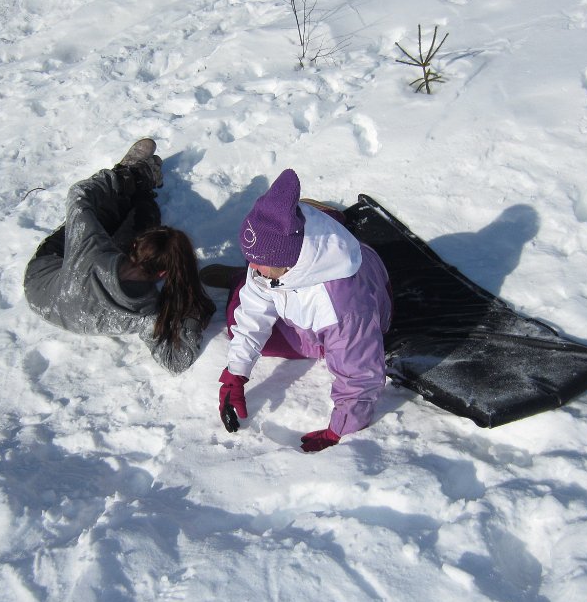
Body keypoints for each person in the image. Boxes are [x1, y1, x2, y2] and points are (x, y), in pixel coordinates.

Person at [212, 168, 392, 452]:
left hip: (335, 323)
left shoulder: (343, 306)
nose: (253, 268)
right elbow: (254, 308)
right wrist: (235, 373)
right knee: (241, 310)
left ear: (288, 260)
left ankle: (240, 281)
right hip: (290, 288)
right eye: (250, 260)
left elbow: (360, 375)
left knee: (249, 312)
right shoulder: (272, 261)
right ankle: (321, 217)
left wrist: (340, 430)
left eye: (258, 262)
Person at [24, 139, 215, 373]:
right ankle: (139, 181)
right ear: (163, 274)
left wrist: (116, 179)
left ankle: (132, 174)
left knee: (105, 213)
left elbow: (78, 194)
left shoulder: (90, 248)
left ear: (133, 246)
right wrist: (191, 317)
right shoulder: (146, 313)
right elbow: (176, 362)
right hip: (60, 292)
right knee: (143, 215)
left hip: (40, 283)